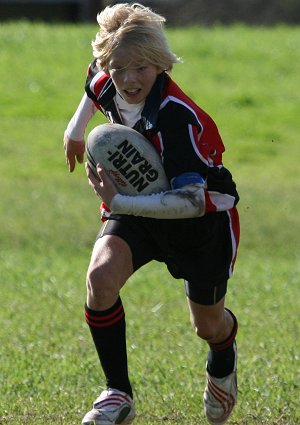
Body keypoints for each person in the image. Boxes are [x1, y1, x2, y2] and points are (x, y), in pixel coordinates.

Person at [63, 3, 240, 424]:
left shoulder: (175, 118)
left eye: (141, 67)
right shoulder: (107, 78)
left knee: (207, 326)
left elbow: (192, 202)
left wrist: (119, 202)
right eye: (119, 67)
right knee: (100, 279)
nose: (128, 79)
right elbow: (93, 84)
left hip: (199, 223)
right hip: (141, 205)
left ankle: (224, 353)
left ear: (160, 66)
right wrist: (74, 132)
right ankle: (116, 394)